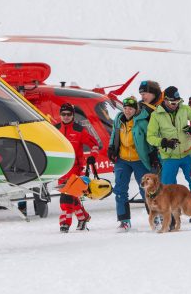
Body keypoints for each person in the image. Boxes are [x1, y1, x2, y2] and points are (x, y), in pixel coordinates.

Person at [147, 86, 191, 222]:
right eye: (173, 103)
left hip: (186, 154)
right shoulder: (156, 115)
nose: (176, 105)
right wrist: (164, 142)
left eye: (177, 102)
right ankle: (171, 218)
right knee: (167, 188)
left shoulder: (184, 109)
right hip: (169, 157)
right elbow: (150, 137)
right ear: (165, 100)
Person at [108, 96, 153, 231]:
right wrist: (111, 148)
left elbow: (150, 139)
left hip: (140, 160)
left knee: (146, 190)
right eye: (125, 108)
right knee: (120, 190)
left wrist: (153, 154)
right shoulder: (118, 119)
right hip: (122, 160)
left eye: (130, 109)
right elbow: (113, 135)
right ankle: (124, 221)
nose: (127, 111)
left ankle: (155, 218)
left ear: (136, 109)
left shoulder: (142, 122)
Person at [55, 103, 100, 233]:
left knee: (66, 196)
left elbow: (95, 144)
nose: (66, 116)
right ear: (60, 115)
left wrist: (92, 157)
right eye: (63, 114)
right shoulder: (55, 129)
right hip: (61, 169)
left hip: (75, 168)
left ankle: (65, 223)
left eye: (69, 114)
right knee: (72, 196)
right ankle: (83, 217)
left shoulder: (80, 130)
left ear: (73, 115)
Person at [138, 80, 162, 173]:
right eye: (141, 94)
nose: (142, 96)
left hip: (162, 152)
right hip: (147, 152)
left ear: (153, 93)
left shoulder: (166, 104)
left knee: (164, 183)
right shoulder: (142, 106)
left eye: (144, 93)